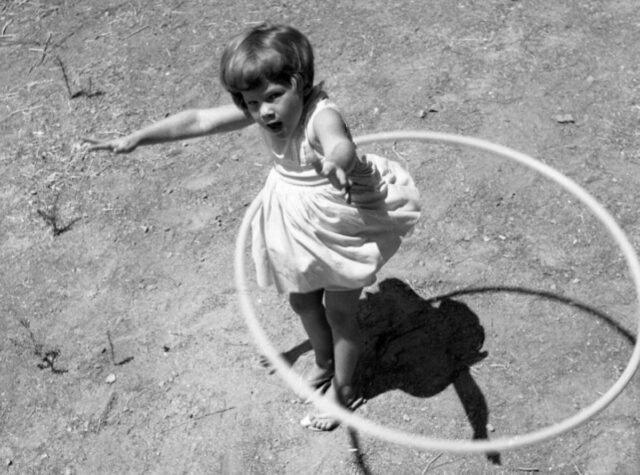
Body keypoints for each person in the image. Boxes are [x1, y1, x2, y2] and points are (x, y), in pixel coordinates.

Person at [85, 23, 421, 431]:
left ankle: (345, 390)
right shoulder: (260, 109)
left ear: (300, 83)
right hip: (295, 217)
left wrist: (337, 161)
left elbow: (339, 142)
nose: (263, 111)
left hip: (340, 217)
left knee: (339, 312)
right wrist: (139, 136)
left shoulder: (320, 115)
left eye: (274, 97)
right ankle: (324, 360)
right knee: (301, 300)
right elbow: (198, 120)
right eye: (251, 102)